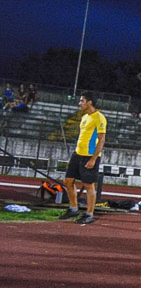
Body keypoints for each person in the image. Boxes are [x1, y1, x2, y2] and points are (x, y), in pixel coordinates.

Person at [57, 92, 107, 225]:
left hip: (89, 156)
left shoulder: (99, 117)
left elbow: (101, 140)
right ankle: (73, 209)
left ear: (89, 102)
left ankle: (89, 214)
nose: (79, 103)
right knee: (68, 181)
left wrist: (93, 159)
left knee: (89, 185)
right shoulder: (84, 117)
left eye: (82, 101)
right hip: (77, 154)